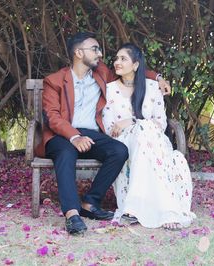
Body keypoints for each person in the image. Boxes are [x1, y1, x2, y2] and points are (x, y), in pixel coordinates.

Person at [35, 33, 170, 235]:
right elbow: (53, 117)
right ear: (79, 53)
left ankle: (90, 203)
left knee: (119, 150)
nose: (100, 54)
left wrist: (158, 77)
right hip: (61, 135)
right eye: (95, 49)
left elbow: (132, 70)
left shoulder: (101, 74)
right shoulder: (54, 81)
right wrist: (74, 137)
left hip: (91, 133)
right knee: (65, 153)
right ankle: (72, 214)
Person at [102, 43, 196, 229]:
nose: (117, 62)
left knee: (144, 134)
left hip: (153, 142)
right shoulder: (109, 89)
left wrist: (133, 122)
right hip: (124, 144)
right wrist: (135, 127)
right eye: (116, 58)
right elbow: (110, 128)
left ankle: (134, 207)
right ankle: (167, 209)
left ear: (135, 65)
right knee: (141, 135)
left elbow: (160, 124)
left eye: (123, 59)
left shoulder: (153, 88)